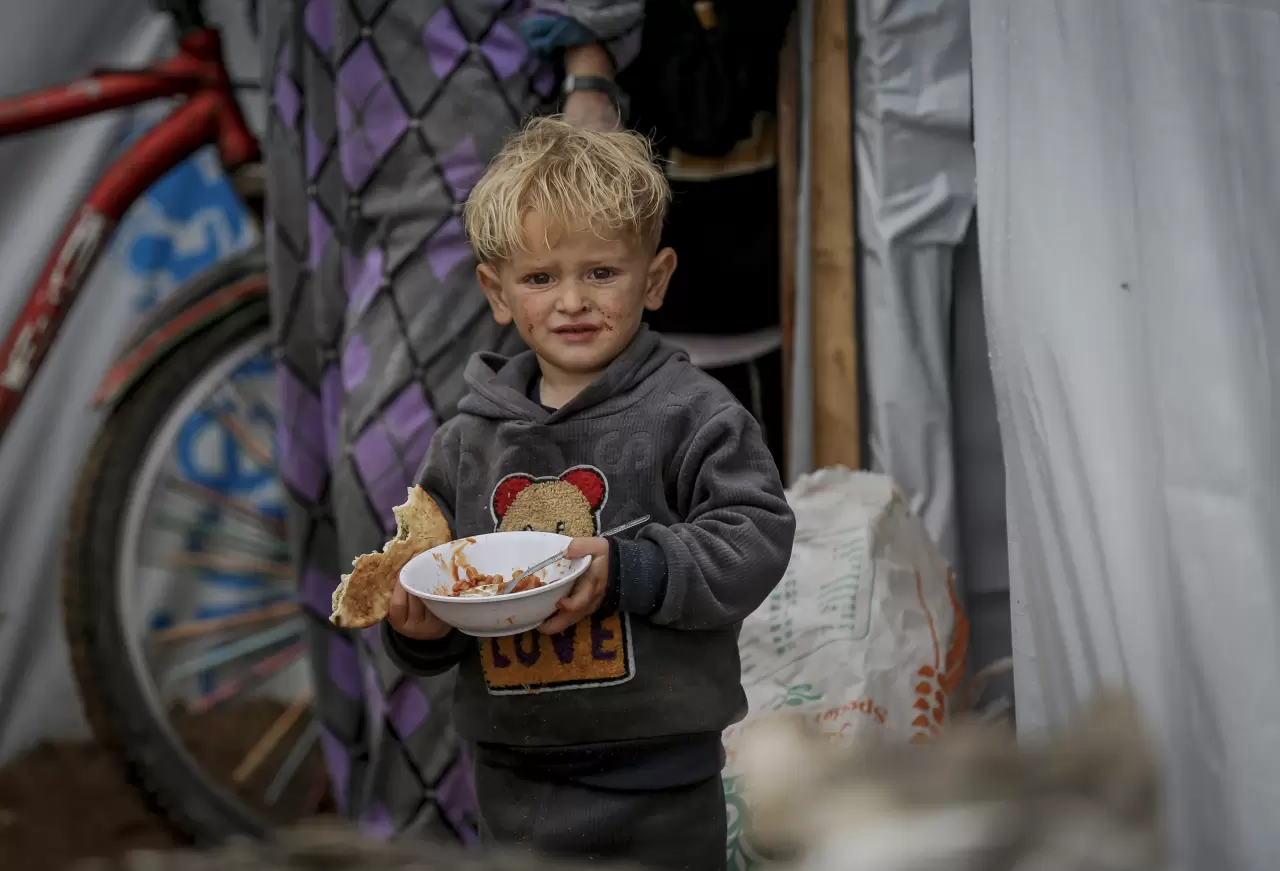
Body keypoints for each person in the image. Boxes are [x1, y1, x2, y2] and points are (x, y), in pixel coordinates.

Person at [379, 117, 796, 870]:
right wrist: (418, 626)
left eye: (601, 272)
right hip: (516, 783)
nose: (572, 300)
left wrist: (631, 568)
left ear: (656, 278)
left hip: (662, 778)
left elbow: (756, 534)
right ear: (497, 291)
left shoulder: (691, 414)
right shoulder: (466, 445)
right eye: (541, 278)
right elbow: (435, 582)